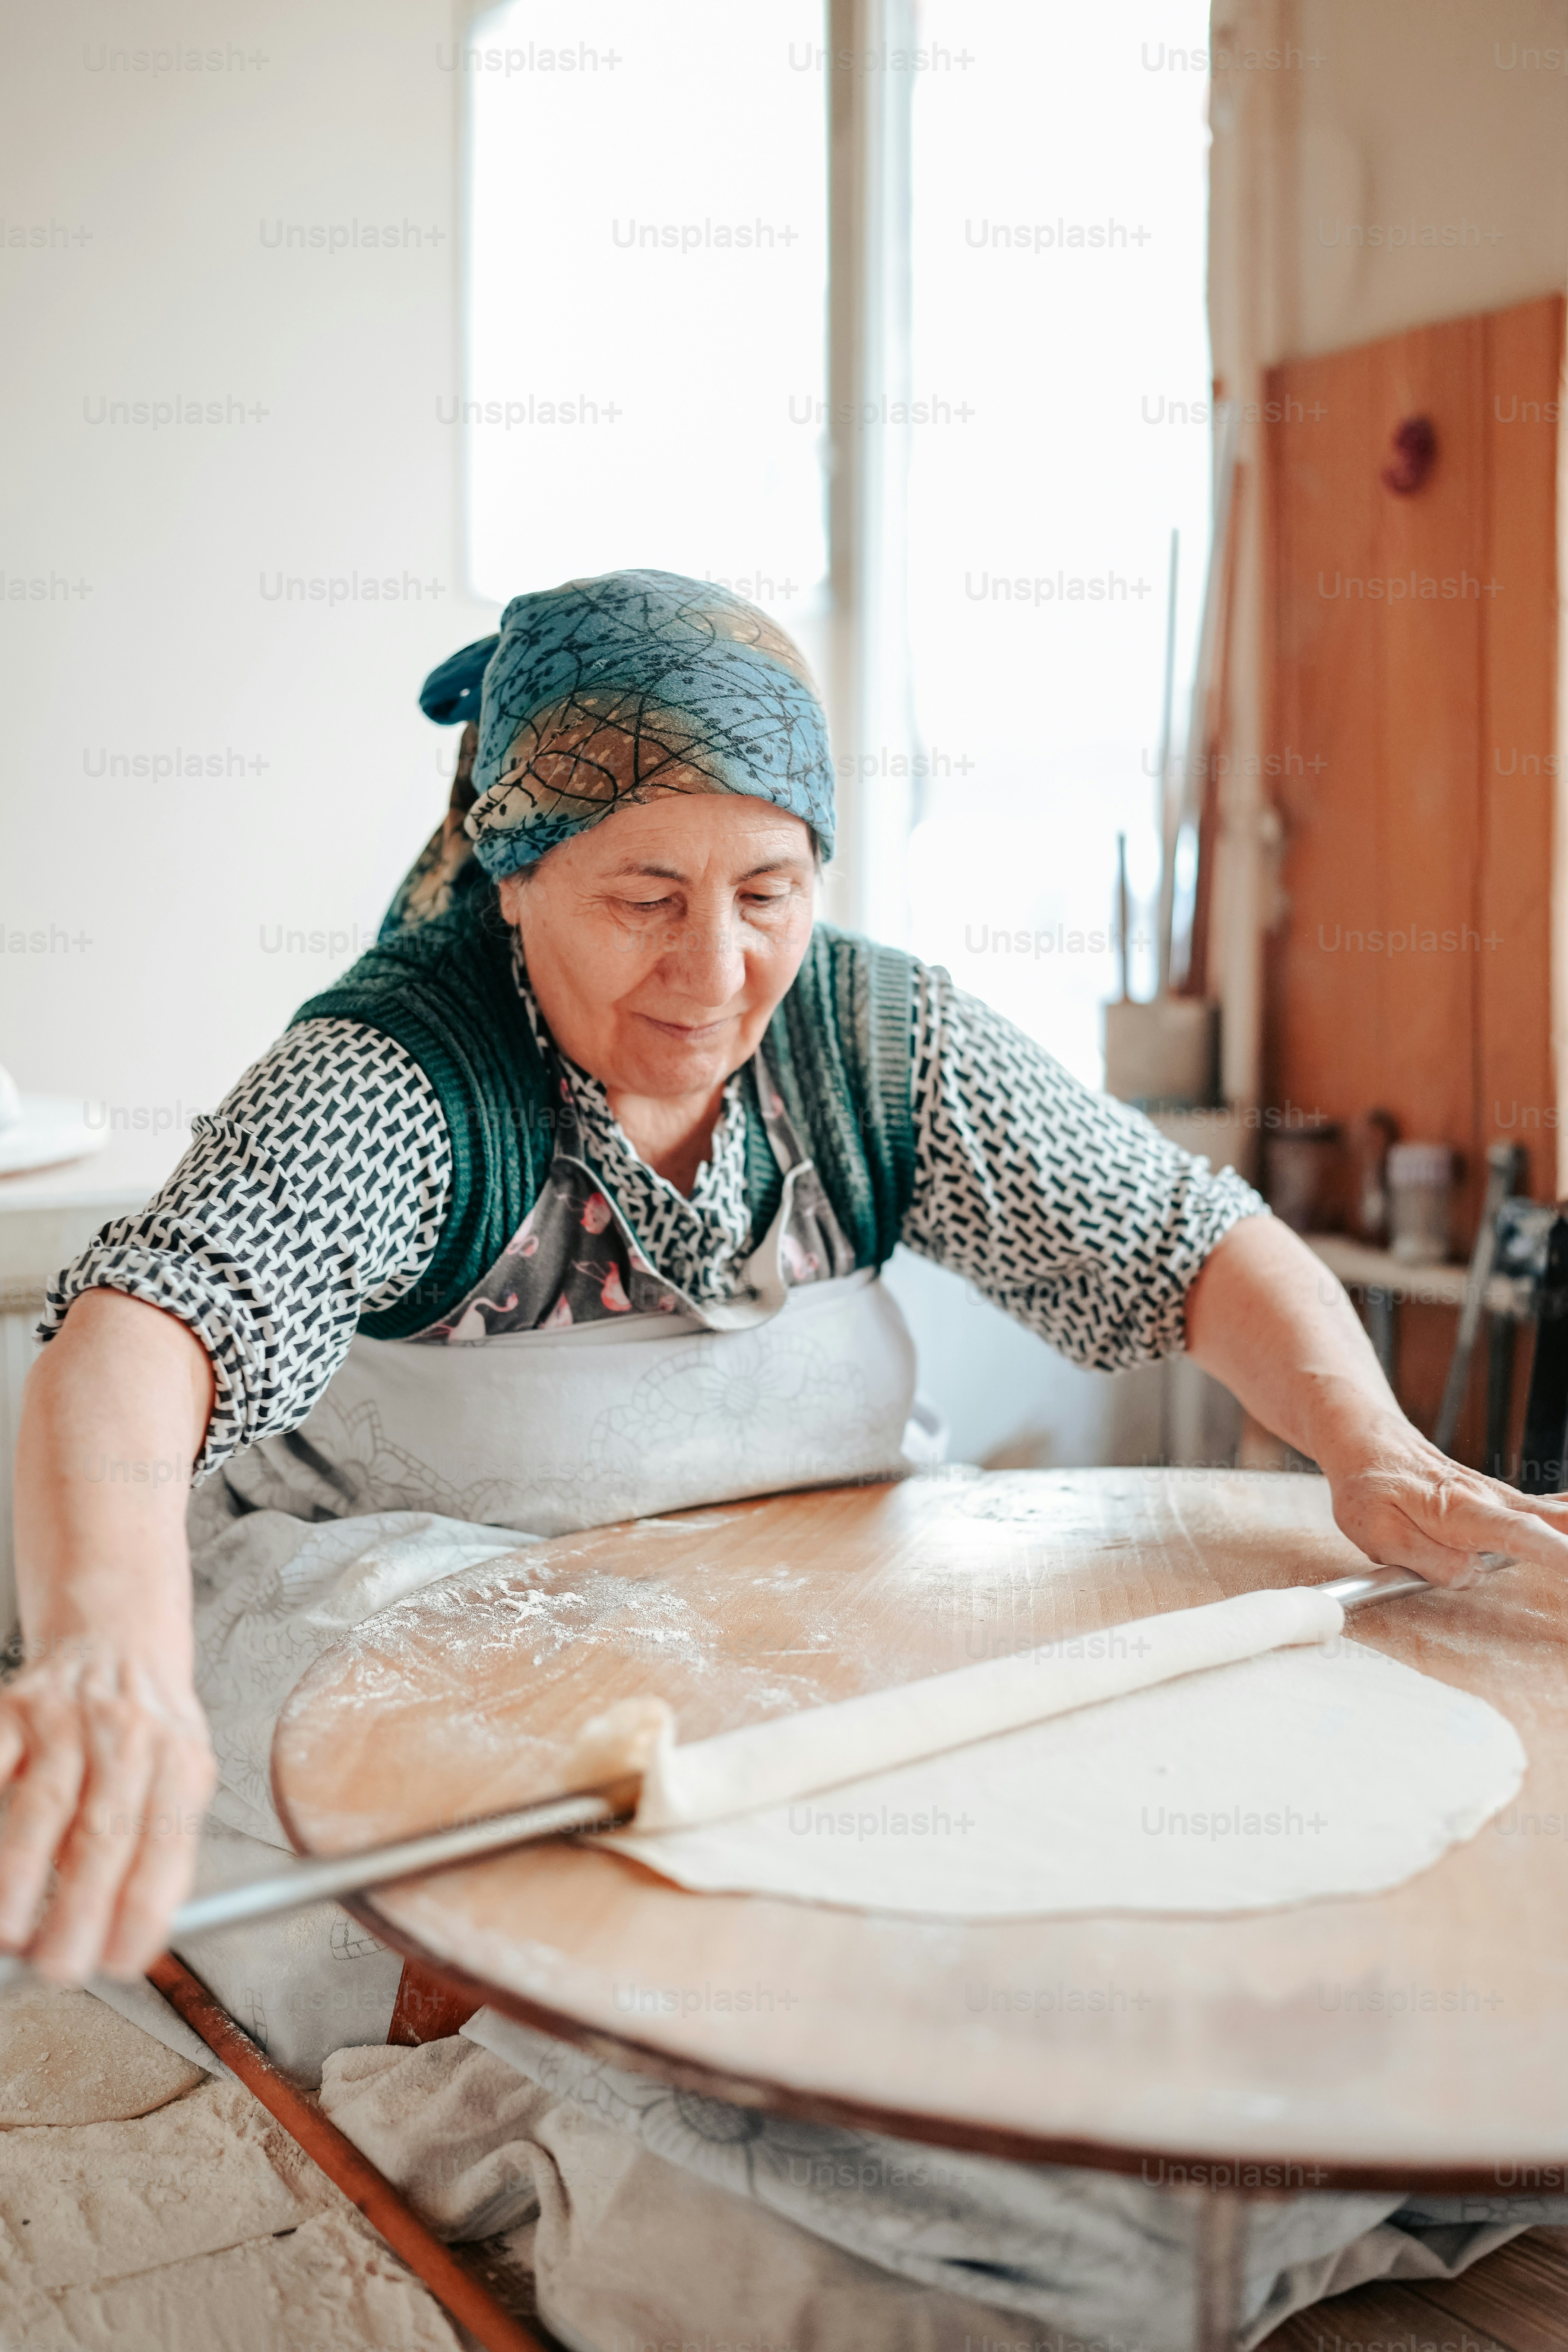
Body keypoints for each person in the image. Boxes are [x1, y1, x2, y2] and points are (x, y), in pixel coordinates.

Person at [9, 570, 1567, 2343]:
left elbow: (1186, 1237)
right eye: (644, 899)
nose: (716, 966)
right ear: (516, 874)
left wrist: (1365, 1443)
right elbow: (134, 1342)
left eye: (769, 892)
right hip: (411, 1596)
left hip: (793, 1588)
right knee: (645, 1925)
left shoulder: (867, 1038)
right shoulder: (404, 1070)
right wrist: (107, 1660)